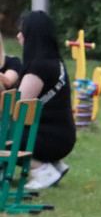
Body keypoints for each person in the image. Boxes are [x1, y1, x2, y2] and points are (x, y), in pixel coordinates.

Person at [17, 11, 76, 190]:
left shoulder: (38, 68)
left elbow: (18, 107)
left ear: (32, 35)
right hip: (61, 136)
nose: (18, 35)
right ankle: (54, 165)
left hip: (50, 139)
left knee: (4, 132)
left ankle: (42, 170)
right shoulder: (54, 62)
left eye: (22, 31)